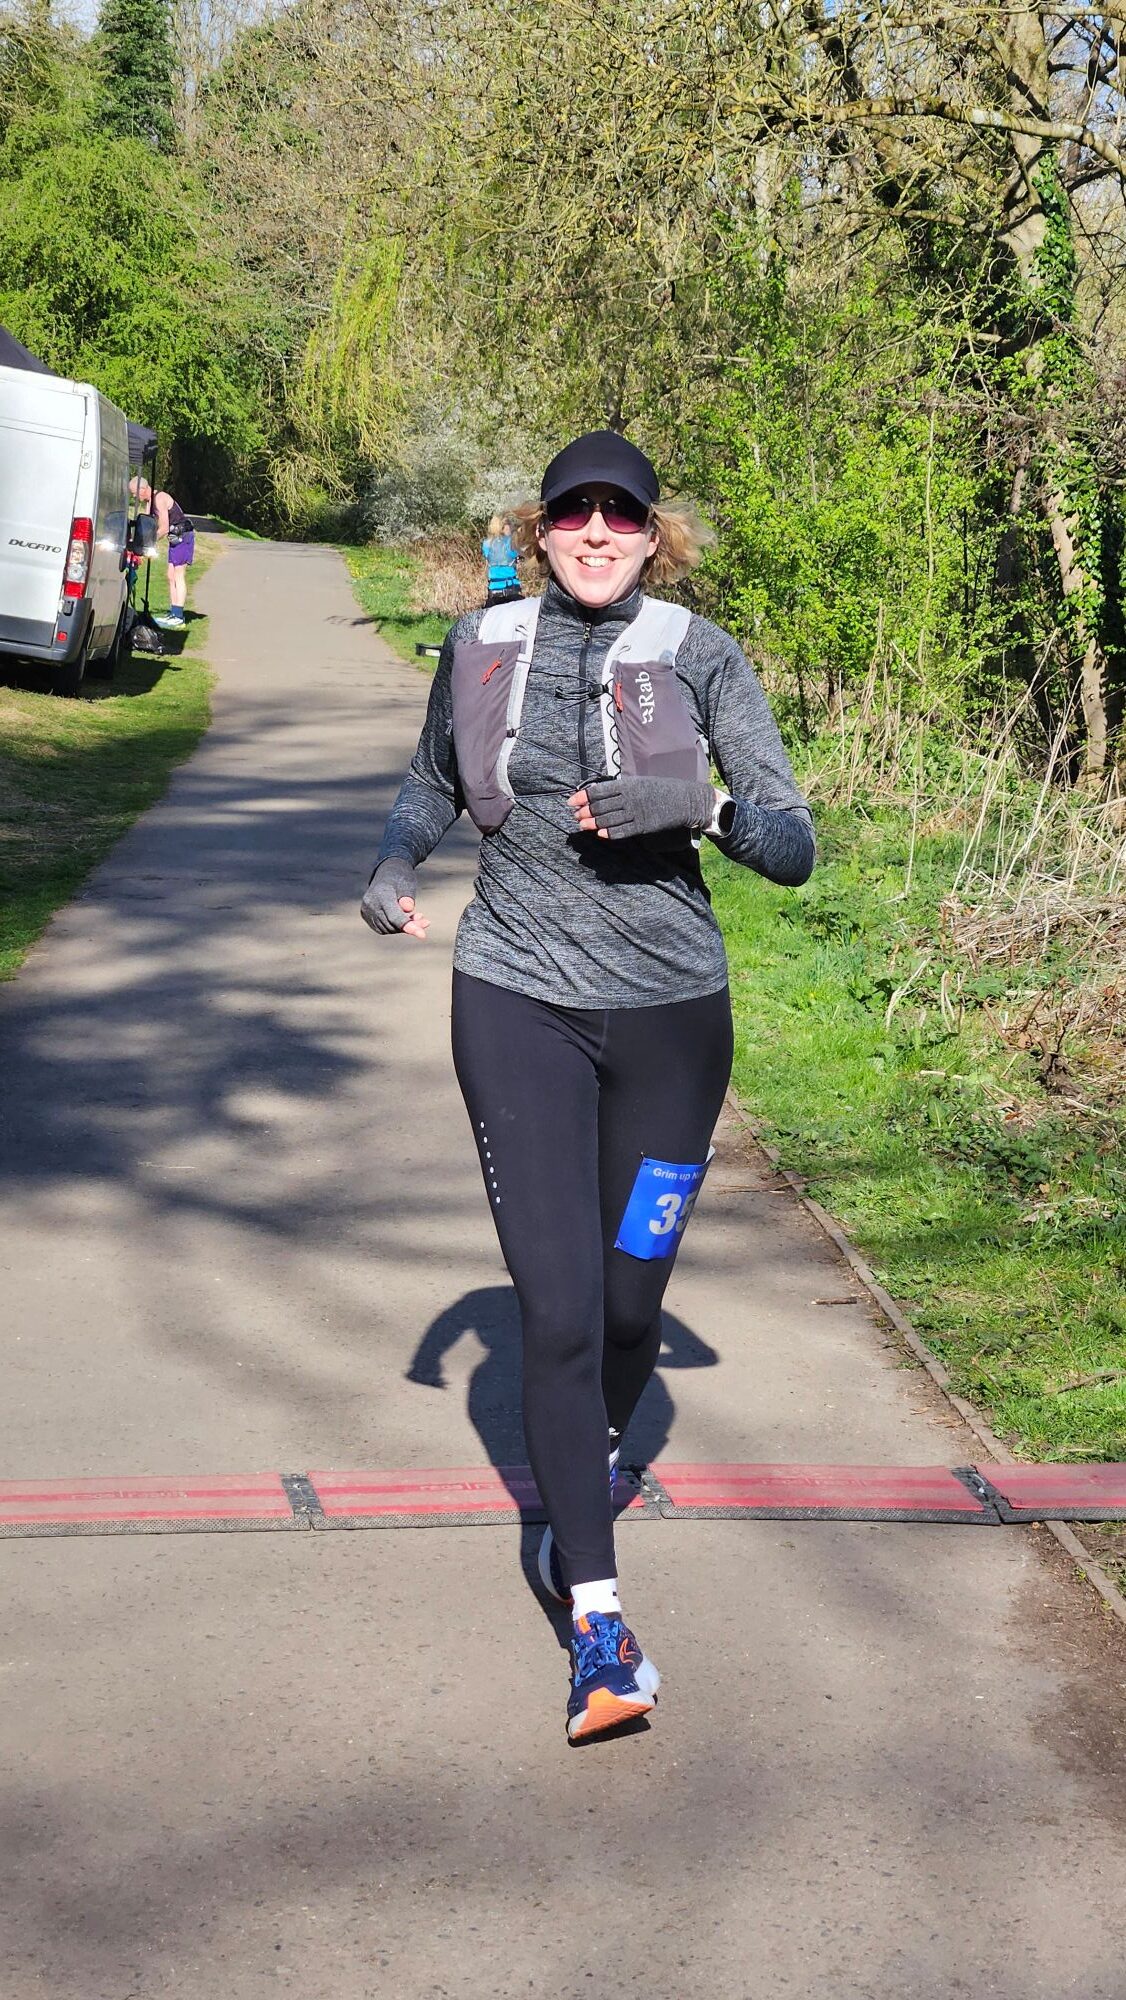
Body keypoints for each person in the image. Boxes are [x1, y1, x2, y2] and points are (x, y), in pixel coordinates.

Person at [362, 430, 815, 1742]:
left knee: (627, 1308)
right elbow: (429, 781)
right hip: (514, 1001)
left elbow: (791, 843)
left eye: (622, 513)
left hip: (673, 1024)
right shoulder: (481, 642)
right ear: (542, 530)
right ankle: (598, 1618)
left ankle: (587, 1466)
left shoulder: (699, 653)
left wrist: (697, 806)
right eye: (575, 513)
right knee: (557, 1315)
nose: (598, 532)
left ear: (652, 534)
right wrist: (392, 864)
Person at [130, 477, 195, 629]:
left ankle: (178, 617)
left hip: (182, 536)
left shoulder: (159, 499)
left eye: (134, 493)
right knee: (170, 575)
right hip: (174, 539)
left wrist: (149, 542)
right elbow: (150, 524)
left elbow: (164, 527)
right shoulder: (150, 502)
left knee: (178, 575)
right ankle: (174, 612)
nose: (134, 496)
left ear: (142, 489)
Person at [480, 513, 521, 606]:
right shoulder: (511, 542)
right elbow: (518, 553)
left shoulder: (486, 544)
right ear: (503, 527)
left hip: (493, 591)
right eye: (509, 524)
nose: (511, 527)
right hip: (511, 589)